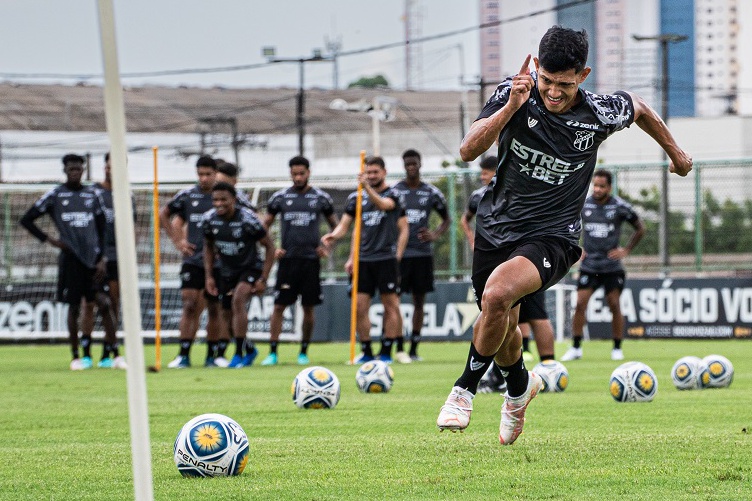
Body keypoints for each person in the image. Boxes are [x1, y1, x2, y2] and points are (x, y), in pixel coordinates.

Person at [436, 26, 692, 445]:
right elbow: (467, 151)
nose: (554, 92)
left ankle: (463, 390)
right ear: (536, 68)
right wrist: (510, 108)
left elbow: (641, 107)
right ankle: (519, 390)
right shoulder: (514, 93)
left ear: (583, 75)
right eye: (548, 82)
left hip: (555, 236)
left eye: (565, 84)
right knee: (503, 327)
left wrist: (677, 154)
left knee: (497, 297)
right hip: (497, 228)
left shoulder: (598, 113)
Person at [19, 154, 119, 370]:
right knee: (74, 308)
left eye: (78, 169)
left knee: (105, 303)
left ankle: (115, 352)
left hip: (93, 260)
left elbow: (103, 228)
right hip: (71, 260)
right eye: (71, 169)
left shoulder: (92, 194)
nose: (75, 172)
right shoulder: (56, 195)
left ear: (83, 170)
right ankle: (77, 356)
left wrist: (102, 257)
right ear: (65, 171)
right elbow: (27, 219)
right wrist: (51, 240)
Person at [322, 156, 409, 364]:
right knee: (359, 306)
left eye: (374, 172)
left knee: (391, 305)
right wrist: (333, 236)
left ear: (384, 172)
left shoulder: (394, 194)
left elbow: (383, 205)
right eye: (368, 173)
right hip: (363, 261)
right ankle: (367, 350)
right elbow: (345, 227)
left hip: (386, 258)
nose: (371, 176)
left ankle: (387, 351)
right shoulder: (355, 198)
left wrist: (366, 189)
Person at [261, 156, 338, 366]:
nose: (298, 177)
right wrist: (273, 247)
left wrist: (326, 247)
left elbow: (336, 227)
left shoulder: (321, 198)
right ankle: (273, 352)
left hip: (311, 262)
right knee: (279, 307)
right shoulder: (280, 198)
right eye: (294, 174)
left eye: (301, 173)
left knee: (308, 308)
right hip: (288, 262)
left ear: (308, 173)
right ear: (290, 174)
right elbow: (262, 227)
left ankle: (303, 351)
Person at [562, 169, 645, 362]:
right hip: (589, 265)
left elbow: (640, 228)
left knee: (614, 305)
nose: (597, 189)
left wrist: (626, 250)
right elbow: (567, 224)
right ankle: (575, 347)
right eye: (595, 185)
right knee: (580, 304)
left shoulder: (619, 206)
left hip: (611, 266)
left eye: (601, 186)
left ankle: (617, 348)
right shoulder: (583, 203)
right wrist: (576, 247)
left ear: (609, 187)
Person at [159, 155, 225, 368]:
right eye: (200, 174)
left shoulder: (225, 196)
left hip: (218, 263)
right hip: (193, 259)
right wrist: (178, 241)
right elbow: (163, 214)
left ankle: (212, 356)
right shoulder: (188, 196)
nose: (204, 178)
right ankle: (183, 354)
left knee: (214, 308)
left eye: (208, 174)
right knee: (188, 305)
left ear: (216, 173)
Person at [203, 182, 275, 368]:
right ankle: (249, 349)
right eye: (215, 200)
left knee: (237, 301)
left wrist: (263, 278)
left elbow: (270, 247)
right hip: (227, 271)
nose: (219, 203)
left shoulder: (248, 220)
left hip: (250, 268)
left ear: (233, 200)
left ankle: (237, 354)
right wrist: (209, 276)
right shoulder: (209, 220)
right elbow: (208, 247)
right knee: (226, 314)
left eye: (223, 200)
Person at [392, 149, 450, 363]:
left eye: (414, 163)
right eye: (407, 164)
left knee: (419, 301)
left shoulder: (431, 192)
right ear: (403, 165)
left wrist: (434, 234)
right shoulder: (395, 191)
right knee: (394, 300)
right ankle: (398, 346)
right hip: (401, 254)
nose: (411, 167)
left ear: (420, 164)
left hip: (422, 254)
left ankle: (414, 347)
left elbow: (446, 218)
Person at [81, 152, 129, 369]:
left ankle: (109, 351)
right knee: (89, 303)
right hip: (94, 257)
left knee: (114, 304)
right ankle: (86, 353)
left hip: (118, 256)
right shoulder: (93, 192)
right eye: (109, 166)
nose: (112, 170)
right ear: (105, 167)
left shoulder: (126, 195)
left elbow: (131, 227)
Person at [477, 290, 555, 394]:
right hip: (532, 276)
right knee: (521, 315)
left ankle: (498, 377)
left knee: (528, 313)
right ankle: (549, 367)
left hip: (517, 277)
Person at [460, 155, 497, 248]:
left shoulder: (511, 194)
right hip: (486, 247)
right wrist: (472, 242)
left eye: (485, 173)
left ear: (496, 172)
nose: (482, 177)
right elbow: (465, 220)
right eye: (481, 174)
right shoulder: (478, 196)